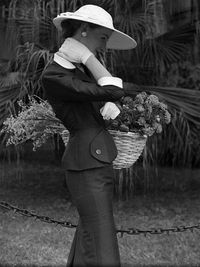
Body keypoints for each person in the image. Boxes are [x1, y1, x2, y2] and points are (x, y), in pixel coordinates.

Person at [41, 4, 138, 267]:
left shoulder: (76, 72)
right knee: (101, 243)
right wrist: (86, 55)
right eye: (103, 37)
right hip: (87, 163)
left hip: (95, 161)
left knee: (90, 239)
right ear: (84, 30)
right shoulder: (55, 75)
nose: (105, 46)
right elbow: (113, 90)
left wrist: (84, 58)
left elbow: (111, 100)